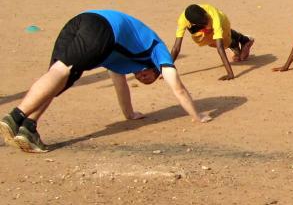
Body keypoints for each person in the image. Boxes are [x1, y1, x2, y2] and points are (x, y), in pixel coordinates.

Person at [0, 11, 211, 153]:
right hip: (102, 29)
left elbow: (120, 83)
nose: (142, 78)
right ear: (157, 70)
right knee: (63, 70)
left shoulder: (123, 61)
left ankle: (28, 127)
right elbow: (179, 88)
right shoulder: (158, 52)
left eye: (142, 80)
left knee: (58, 78)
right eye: (149, 77)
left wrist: (129, 114)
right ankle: (15, 116)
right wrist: (198, 115)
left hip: (82, 21)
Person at [171, 4, 254, 81]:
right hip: (204, 29)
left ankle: (244, 40)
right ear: (194, 23)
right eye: (204, 22)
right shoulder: (183, 20)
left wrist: (230, 73)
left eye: (206, 18)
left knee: (221, 40)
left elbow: (220, 47)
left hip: (223, 23)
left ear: (205, 12)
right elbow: (176, 48)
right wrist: (167, 69)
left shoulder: (214, 16)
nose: (207, 22)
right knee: (201, 39)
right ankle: (235, 43)